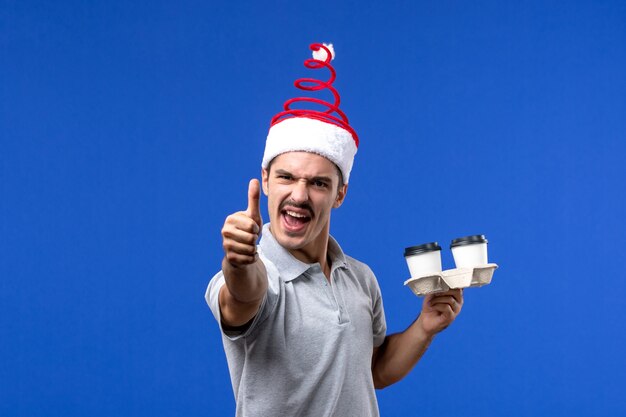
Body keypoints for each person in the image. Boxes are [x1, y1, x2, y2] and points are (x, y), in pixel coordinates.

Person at [206, 43, 463, 417]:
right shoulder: (260, 274)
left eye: (318, 184)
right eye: (286, 177)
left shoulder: (360, 278)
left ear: (340, 194)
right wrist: (239, 260)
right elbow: (242, 296)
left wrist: (424, 327)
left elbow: (371, 369)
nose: (299, 195)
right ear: (265, 180)